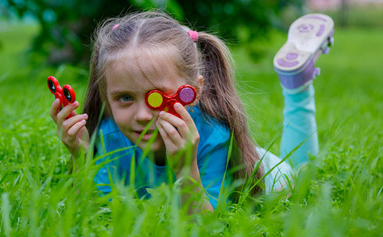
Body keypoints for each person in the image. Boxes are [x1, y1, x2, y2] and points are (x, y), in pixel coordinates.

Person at [50, 11, 334, 213]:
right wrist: (81, 157)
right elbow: (89, 213)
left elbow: (203, 224)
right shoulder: (108, 136)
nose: (142, 115)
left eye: (157, 98)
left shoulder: (213, 137)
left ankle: (297, 85)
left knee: (303, 173)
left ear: (193, 92)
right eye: (124, 98)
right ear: (105, 97)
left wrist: (186, 167)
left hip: (266, 172)